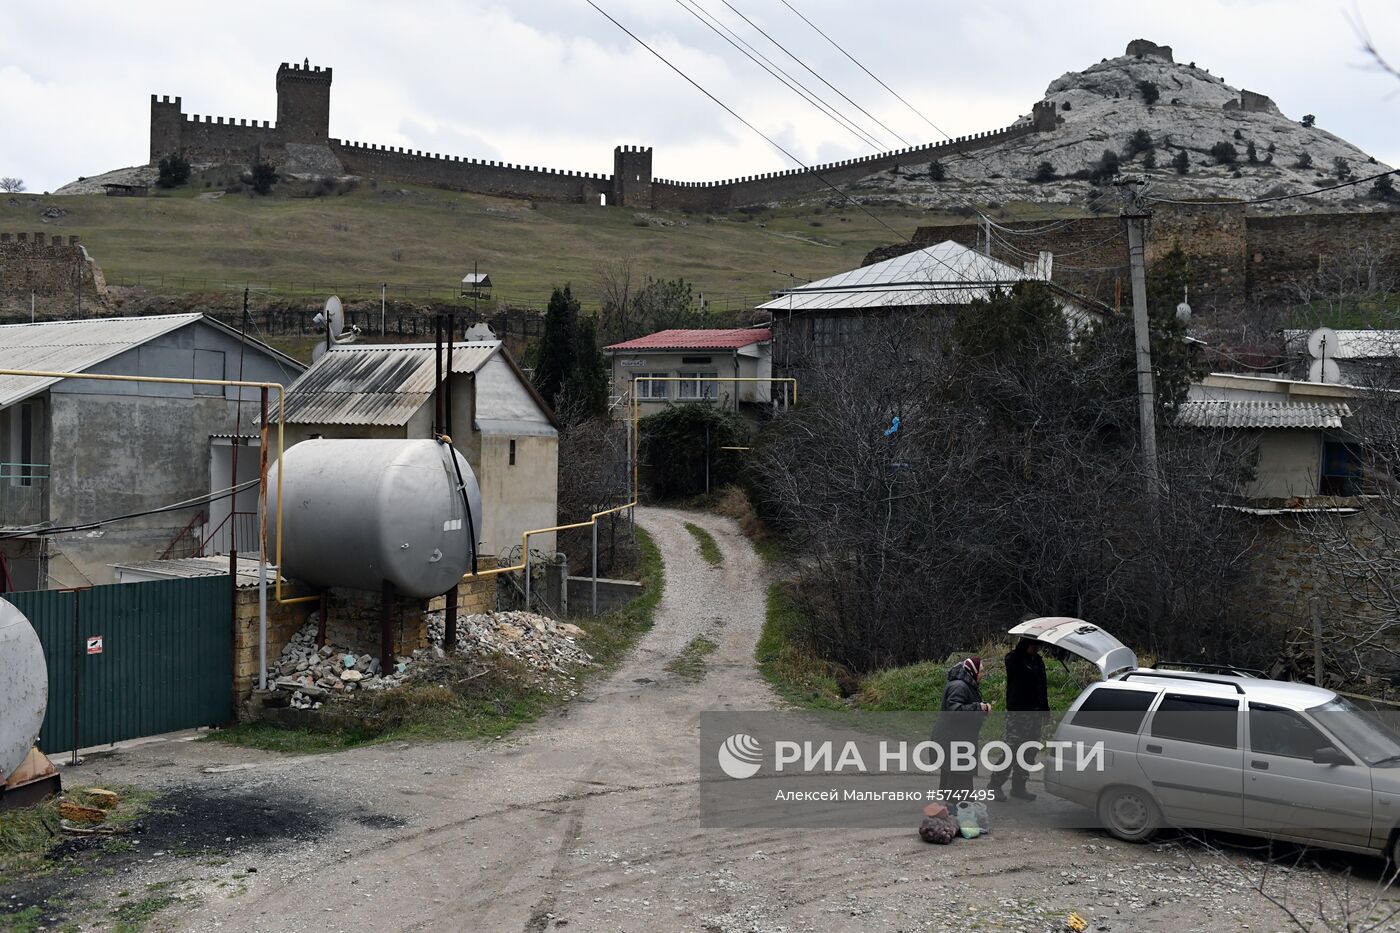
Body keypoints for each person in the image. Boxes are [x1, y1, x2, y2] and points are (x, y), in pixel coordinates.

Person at [988, 638, 1049, 801]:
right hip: (1018, 712)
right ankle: (995, 784)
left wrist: (1045, 707)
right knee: (1012, 749)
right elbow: (1011, 662)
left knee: (1030, 750)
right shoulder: (1014, 659)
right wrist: (1021, 652)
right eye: (1033, 646)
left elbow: (1042, 686)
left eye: (1038, 647)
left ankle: (1019, 786)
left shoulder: (1038, 661)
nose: (1036, 649)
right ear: (1025, 645)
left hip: (1035, 713)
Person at [930, 657, 991, 798]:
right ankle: (960, 810)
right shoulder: (960, 686)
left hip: (956, 737)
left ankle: (951, 808)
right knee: (959, 776)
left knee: (953, 774)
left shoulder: (965, 684)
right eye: (981, 671)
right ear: (972, 671)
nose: (983, 674)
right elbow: (955, 711)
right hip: (954, 738)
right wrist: (979, 707)